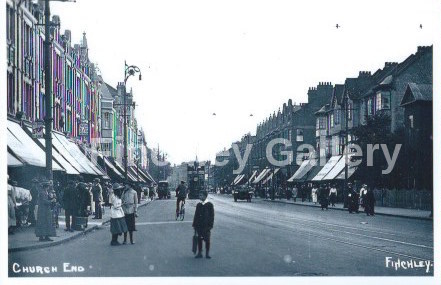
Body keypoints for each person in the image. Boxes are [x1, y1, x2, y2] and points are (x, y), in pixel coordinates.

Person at [193, 190, 214, 259]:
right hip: (199, 225)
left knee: (207, 239)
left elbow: (212, 216)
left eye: (201, 195)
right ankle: (200, 253)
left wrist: (210, 225)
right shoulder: (199, 205)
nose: (199, 197)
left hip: (206, 225)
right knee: (199, 239)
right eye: (199, 195)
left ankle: (207, 253)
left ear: (205, 196)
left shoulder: (209, 205)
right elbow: (196, 215)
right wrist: (194, 225)